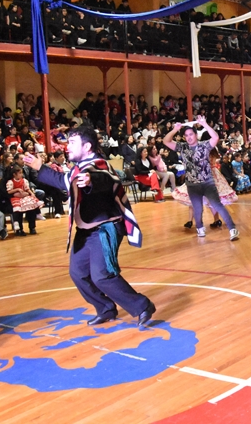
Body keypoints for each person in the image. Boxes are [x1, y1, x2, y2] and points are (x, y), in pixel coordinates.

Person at [25, 126, 156, 327]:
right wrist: (39, 168)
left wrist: (91, 180)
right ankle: (105, 308)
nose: (67, 146)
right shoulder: (79, 167)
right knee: (78, 273)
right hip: (85, 232)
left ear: (87, 146)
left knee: (102, 276)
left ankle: (142, 306)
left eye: (72, 143)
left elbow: (106, 178)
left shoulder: (98, 164)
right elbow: (64, 180)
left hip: (106, 229)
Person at [162, 116, 239, 241]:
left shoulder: (205, 145)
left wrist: (205, 124)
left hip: (208, 182)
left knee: (217, 205)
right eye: (186, 135)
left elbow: (215, 137)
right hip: (192, 185)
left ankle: (232, 229)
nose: (189, 137)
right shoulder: (182, 147)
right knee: (197, 208)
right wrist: (175, 130)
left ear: (196, 134)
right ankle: (199, 228)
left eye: (191, 134)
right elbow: (166, 141)